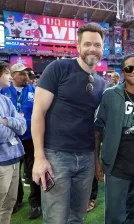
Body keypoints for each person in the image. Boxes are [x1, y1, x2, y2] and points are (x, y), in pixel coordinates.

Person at [31, 22, 105, 223]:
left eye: (97, 45)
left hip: (87, 157)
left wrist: (96, 159)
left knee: (77, 218)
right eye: (88, 44)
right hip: (57, 156)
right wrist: (39, 157)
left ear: (102, 48)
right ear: (78, 46)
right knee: (56, 219)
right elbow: (38, 113)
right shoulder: (58, 68)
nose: (93, 49)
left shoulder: (100, 82)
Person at [94, 55, 134, 224]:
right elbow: (97, 130)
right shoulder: (110, 95)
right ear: (123, 73)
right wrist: (97, 162)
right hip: (116, 166)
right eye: (129, 68)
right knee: (114, 217)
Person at [0, 63, 41, 219]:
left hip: (30, 137)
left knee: (33, 171)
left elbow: (23, 122)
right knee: (13, 173)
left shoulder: (34, 91)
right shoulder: (4, 91)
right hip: (11, 142)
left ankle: (35, 203)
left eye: (27, 74)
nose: (26, 77)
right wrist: (13, 124)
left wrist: (7, 122)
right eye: (21, 74)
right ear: (14, 74)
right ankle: (16, 200)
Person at [0, 60, 27, 224]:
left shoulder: (5, 100)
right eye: (6, 73)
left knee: (9, 204)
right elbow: (1, 135)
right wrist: (14, 123)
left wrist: (6, 121)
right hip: (2, 162)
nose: (9, 77)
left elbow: (23, 127)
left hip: (14, 157)